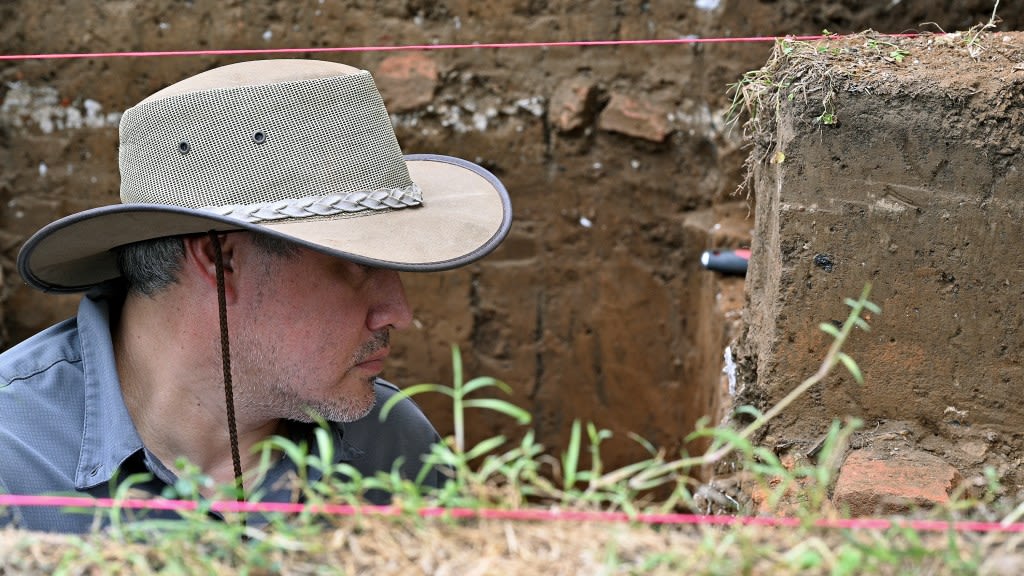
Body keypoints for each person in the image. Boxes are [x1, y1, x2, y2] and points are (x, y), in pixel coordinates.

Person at [0, 59, 512, 533]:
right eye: (357, 266)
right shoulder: (14, 457)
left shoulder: (390, 443)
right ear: (220, 260)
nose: (399, 313)